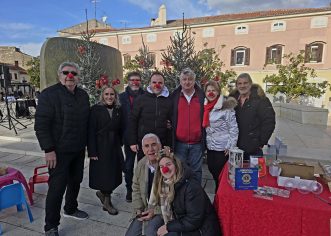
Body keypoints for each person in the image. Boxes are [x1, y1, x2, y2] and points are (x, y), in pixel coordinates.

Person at [35, 62, 90, 236]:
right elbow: (41, 125)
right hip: (58, 152)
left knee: (76, 181)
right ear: (59, 75)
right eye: (66, 72)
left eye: (73, 73)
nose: (70, 76)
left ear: (78, 76)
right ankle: (51, 226)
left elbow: (87, 122)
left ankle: (71, 208)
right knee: (57, 188)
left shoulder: (83, 95)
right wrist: (48, 149)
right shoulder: (49, 95)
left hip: (78, 149)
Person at [149, 147, 220, 236]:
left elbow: (194, 220)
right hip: (185, 223)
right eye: (161, 167)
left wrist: (168, 227)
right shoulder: (166, 184)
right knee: (151, 229)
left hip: (202, 230)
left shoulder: (191, 187)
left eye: (168, 164)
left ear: (176, 165)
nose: (165, 169)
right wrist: (153, 211)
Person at [88, 86, 124, 215]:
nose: (109, 97)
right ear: (102, 96)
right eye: (107, 94)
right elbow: (90, 131)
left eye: (112, 94)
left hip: (114, 147)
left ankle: (103, 194)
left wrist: (121, 142)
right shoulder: (95, 110)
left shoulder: (119, 109)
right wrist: (92, 151)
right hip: (100, 147)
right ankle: (107, 202)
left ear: (115, 96)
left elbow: (121, 128)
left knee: (114, 174)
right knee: (104, 175)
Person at [229, 73, 276, 160]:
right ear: (236, 85)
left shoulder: (261, 100)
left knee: (253, 173)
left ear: (250, 84)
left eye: (245, 83)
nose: (242, 86)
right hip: (234, 147)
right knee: (234, 172)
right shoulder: (232, 99)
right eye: (239, 83)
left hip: (253, 149)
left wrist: (261, 143)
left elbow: (269, 122)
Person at [203, 80, 238, 192]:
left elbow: (233, 128)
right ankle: (219, 195)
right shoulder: (206, 106)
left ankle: (220, 198)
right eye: (208, 90)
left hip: (223, 148)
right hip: (211, 147)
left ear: (218, 92)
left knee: (220, 175)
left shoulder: (226, 107)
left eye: (213, 90)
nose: (211, 93)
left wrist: (230, 146)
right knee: (212, 170)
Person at [170, 68, 205, 183]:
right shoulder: (174, 96)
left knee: (196, 172)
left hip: (197, 143)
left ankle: (195, 196)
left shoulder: (202, 97)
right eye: (184, 79)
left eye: (190, 79)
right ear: (180, 81)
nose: (187, 82)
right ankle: (181, 197)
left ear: (194, 81)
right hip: (180, 143)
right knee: (180, 172)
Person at [128, 72, 172, 161]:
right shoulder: (141, 99)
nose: (157, 85)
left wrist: (169, 144)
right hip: (144, 144)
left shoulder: (169, 100)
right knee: (144, 170)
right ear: (150, 83)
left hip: (161, 144)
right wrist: (132, 142)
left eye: (160, 83)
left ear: (164, 84)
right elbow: (133, 120)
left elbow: (171, 123)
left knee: (160, 170)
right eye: (154, 82)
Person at [125, 133, 164, 236]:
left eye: (154, 144)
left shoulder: (167, 165)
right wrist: (138, 209)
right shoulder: (141, 165)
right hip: (146, 209)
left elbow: (173, 198)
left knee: (150, 232)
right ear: (142, 149)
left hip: (162, 210)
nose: (150, 149)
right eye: (146, 146)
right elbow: (136, 188)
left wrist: (155, 211)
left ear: (160, 146)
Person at [119, 72, 145, 202]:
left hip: (143, 138)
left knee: (143, 166)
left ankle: (142, 189)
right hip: (128, 138)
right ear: (128, 81)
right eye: (132, 80)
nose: (135, 82)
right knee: (128, 166)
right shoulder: (121, 97)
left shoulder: (146, 96)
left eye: (137, 80)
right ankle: (130, 189)